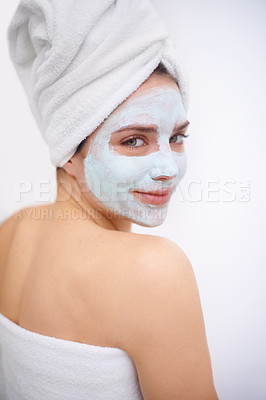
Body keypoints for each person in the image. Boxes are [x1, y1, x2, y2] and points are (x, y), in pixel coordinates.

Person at [1, 1, 219, 399]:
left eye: (177, 137)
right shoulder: (154, 271)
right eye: (134, 140)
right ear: (68, 149)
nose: (168, 168)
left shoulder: (12, 229)